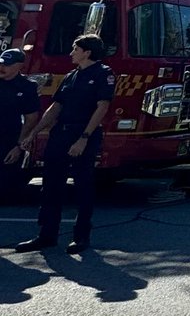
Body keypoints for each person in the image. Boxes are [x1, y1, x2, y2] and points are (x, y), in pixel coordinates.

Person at [15, 34, 114, 253]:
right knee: (50, 185)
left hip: (83, 134)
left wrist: (84, 138)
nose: (71, 53)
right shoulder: (71, 76)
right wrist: (35, 132)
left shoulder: (102, 74)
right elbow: (56, 107)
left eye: (74, 49)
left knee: (82, 185)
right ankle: (46, 235)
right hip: (61, 134)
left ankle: (81, 237)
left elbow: (102, 107)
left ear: (86, 52)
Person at [0, 48, 41, 201]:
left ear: (19, 66)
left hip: (8, 141)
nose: (2, 68)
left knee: (5, 190)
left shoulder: (26, 87)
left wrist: (19, 146)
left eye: (7, 65)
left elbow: (31, 118)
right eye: (1, 64)